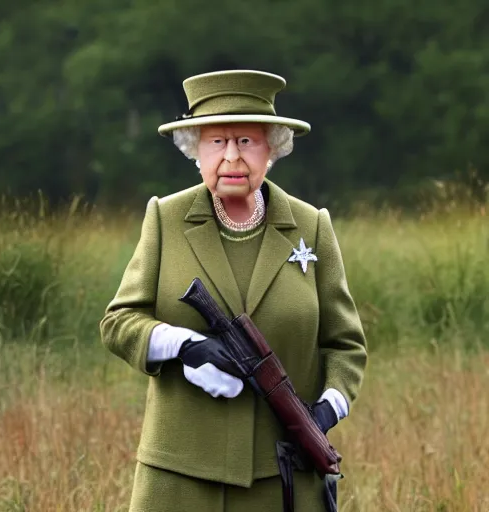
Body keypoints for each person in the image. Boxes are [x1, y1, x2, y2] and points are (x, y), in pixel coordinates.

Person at [100, 69, 367, 512]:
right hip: (178, 477)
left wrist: (326, 411)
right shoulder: (165, 219)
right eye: (216, 142)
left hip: (284, 473)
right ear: (196, 151)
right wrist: (182, 346)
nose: (231, 158)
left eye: (246, 141)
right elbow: (118, 322)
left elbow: (345, 345)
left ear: (271, 148)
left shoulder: (311, 226)